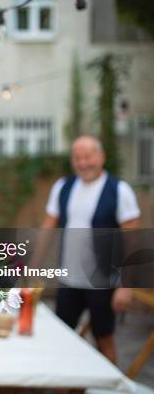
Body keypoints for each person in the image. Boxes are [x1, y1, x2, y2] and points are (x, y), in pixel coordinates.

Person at [41, 135, 140, 363]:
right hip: (69, 281)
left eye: (88, 157)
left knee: (104, 338)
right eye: (77, 158)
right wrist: (29, 268)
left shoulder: (119, 190)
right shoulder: (63, 187)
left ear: (101, 157)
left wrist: (126, 286)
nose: (83, 163)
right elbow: (47, 230)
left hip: (103, 283)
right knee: (62, 338)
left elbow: (132, 240)